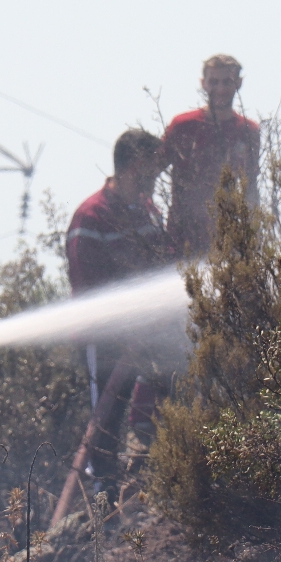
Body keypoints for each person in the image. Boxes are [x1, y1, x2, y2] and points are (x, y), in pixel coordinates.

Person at [66, 129, 175, 501]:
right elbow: (86, 283)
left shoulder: (148, 210)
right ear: (134, 165)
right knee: (106, 410)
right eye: (153, 166)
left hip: (148, 329)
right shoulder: (91, 216)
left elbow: (161, 260)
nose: (158, 173)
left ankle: (157, 468)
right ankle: (105, 488)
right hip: (104, 336)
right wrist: (123, 321)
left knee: (165, 388)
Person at [163, 54, 262, 258]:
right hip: (182, 237)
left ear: (238, 84)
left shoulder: (248, 131)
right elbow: (152, 169)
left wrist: (254, 236)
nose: (220, 89)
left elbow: (250, 187)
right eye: (214, 82)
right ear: (204, 84)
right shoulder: (183, 126)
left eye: (227, 82)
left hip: (228, 238)